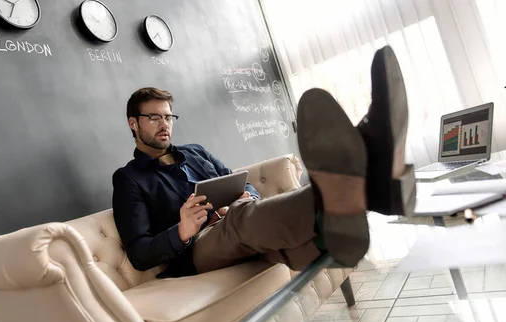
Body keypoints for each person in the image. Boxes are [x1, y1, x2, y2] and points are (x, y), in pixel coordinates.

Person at [112, 46, 416, 278]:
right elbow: (139, 253)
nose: (164, 123)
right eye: (153, 117)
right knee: (240, 220)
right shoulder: (129, 179)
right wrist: (182, 230)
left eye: (168, 116)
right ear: (133, 124)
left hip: (236, 224)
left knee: (259, 223)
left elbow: (240, 183)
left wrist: (247, 194)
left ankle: (366, 196)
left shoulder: (195, 151)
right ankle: (374, 173)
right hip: (194, 252)